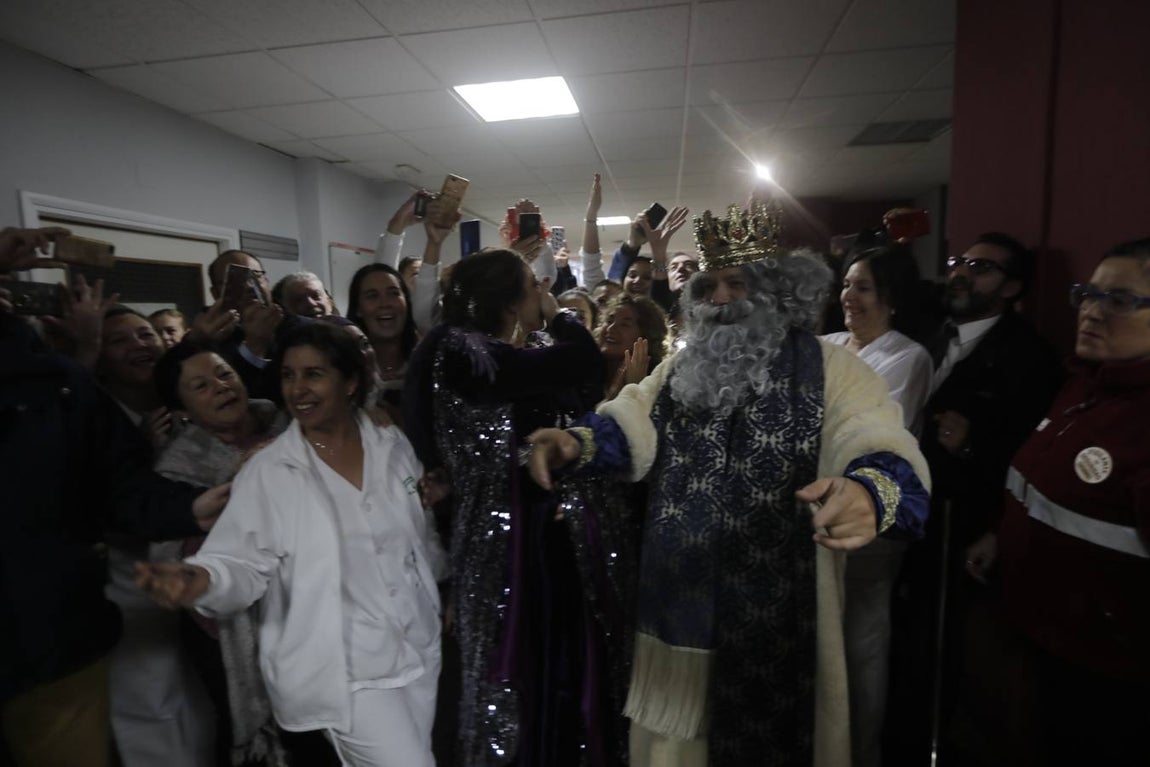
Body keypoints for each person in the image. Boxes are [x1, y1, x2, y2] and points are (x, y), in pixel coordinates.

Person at [528, 202, 931, 767]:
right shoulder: (680, 369)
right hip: (677, 613)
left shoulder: (834, 371)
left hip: (778, 624)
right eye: (710, 285)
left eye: (737, 283)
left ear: (776, 292)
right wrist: (577, 442)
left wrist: (869, 492)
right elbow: (631, 416)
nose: (718, 299)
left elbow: (879, 442)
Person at [137, 322, 446, 767]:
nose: (298, 388)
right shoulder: (270, 471)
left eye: (314, 374)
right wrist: (200, 578)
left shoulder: (391, 444)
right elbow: (239, 560)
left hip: (416, 645)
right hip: (346, 672)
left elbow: (418, 531)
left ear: (351, 381)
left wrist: (440, 587)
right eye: (287, 375)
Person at [0, 225, 228, 767]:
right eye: (119, 340)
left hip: (58, 638)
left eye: (146, 335)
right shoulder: (67, 383)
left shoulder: (59, 390)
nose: (140, 346)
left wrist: (189, 506)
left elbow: (119, 486)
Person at [403, 249, 637, 767]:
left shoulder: (487, 353)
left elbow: (580, 388)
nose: (541, 294)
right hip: (499, 541)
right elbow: (578, 361)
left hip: (532, 540)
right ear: (509, 299)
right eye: (533, 286)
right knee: (508, 667)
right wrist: (565, 316)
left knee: (550, 664)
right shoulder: (458, 348)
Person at [963, 238, 1150, 766]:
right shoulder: (1083, 386)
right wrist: (1002, 533)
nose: (1090, 310)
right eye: (1088, 294)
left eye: (1118, 301)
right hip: (1035, 635)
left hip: (1105, 674)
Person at [890, 232, 1063, 762]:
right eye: (958, 261)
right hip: (904, 513)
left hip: (961, 522)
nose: (962, 273)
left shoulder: (1029, 357)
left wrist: (969, 446)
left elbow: (1027, 456)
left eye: (982, 267)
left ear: (1012, 288)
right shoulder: (922, 332)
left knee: (939, 649)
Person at [151, 343, 296, 766]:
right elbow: (172, 559)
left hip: (318, 598)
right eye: (200, 386)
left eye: (224, 374)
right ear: (183, 409)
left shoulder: (288, 420)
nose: (220, 388)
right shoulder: (178, 468)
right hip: (235, 625)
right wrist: (244, 479)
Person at [820, 243, 933, 767]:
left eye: (862, 287)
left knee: (862, 646)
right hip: (818, 516)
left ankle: (862, 753)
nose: (849, 296)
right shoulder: (832, 343)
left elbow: (870, 433)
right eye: (846, 284)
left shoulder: (907, 356)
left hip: (872, 519)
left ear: (890, 296)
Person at [345, 263, 418, 423]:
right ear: (358, 309)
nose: (385, 304)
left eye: (393, 293)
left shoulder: (428, 360)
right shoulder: (345, 370)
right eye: (372, 296)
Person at [596, 292, 669, 402]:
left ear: (646, 337)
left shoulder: (657, 385)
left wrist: (634, 390)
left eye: (624, 325)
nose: (610, 328)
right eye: (609, 321)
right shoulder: (583, 370)